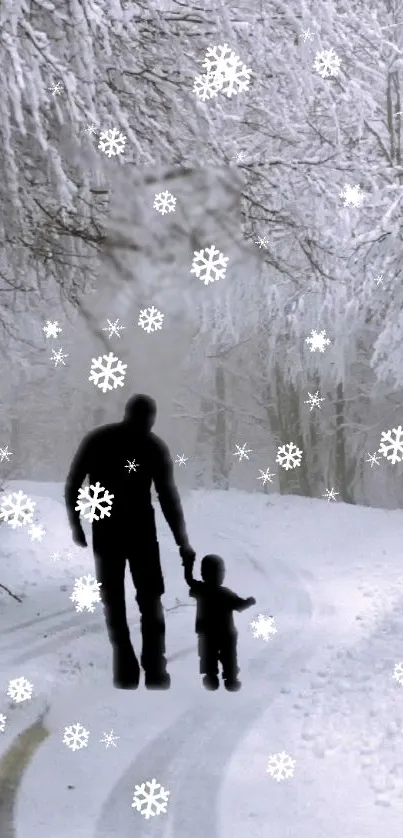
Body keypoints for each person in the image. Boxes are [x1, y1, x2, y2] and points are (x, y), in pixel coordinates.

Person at [64, 394, 196, 690]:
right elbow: (167, 498)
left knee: (118, 602)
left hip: (109, 532)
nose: (148, 425)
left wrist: (77, 525)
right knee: (148, 601)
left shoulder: (98, 439)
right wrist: (181, 541)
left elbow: (73, 482)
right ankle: (153, 668)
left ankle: (129, 669)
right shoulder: (153, 447)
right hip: (140, 534)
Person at [186, 554, 256, 691]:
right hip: (226, 633)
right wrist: (250, 601)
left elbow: (189, 581)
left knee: (207, 656)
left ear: (203, 573)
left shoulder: (201, 590)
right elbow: (239, 605)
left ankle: (211, 678)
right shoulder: (225, 593)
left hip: (206, 633)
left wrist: (188, 565)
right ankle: (230, 679)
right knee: (229, 656)